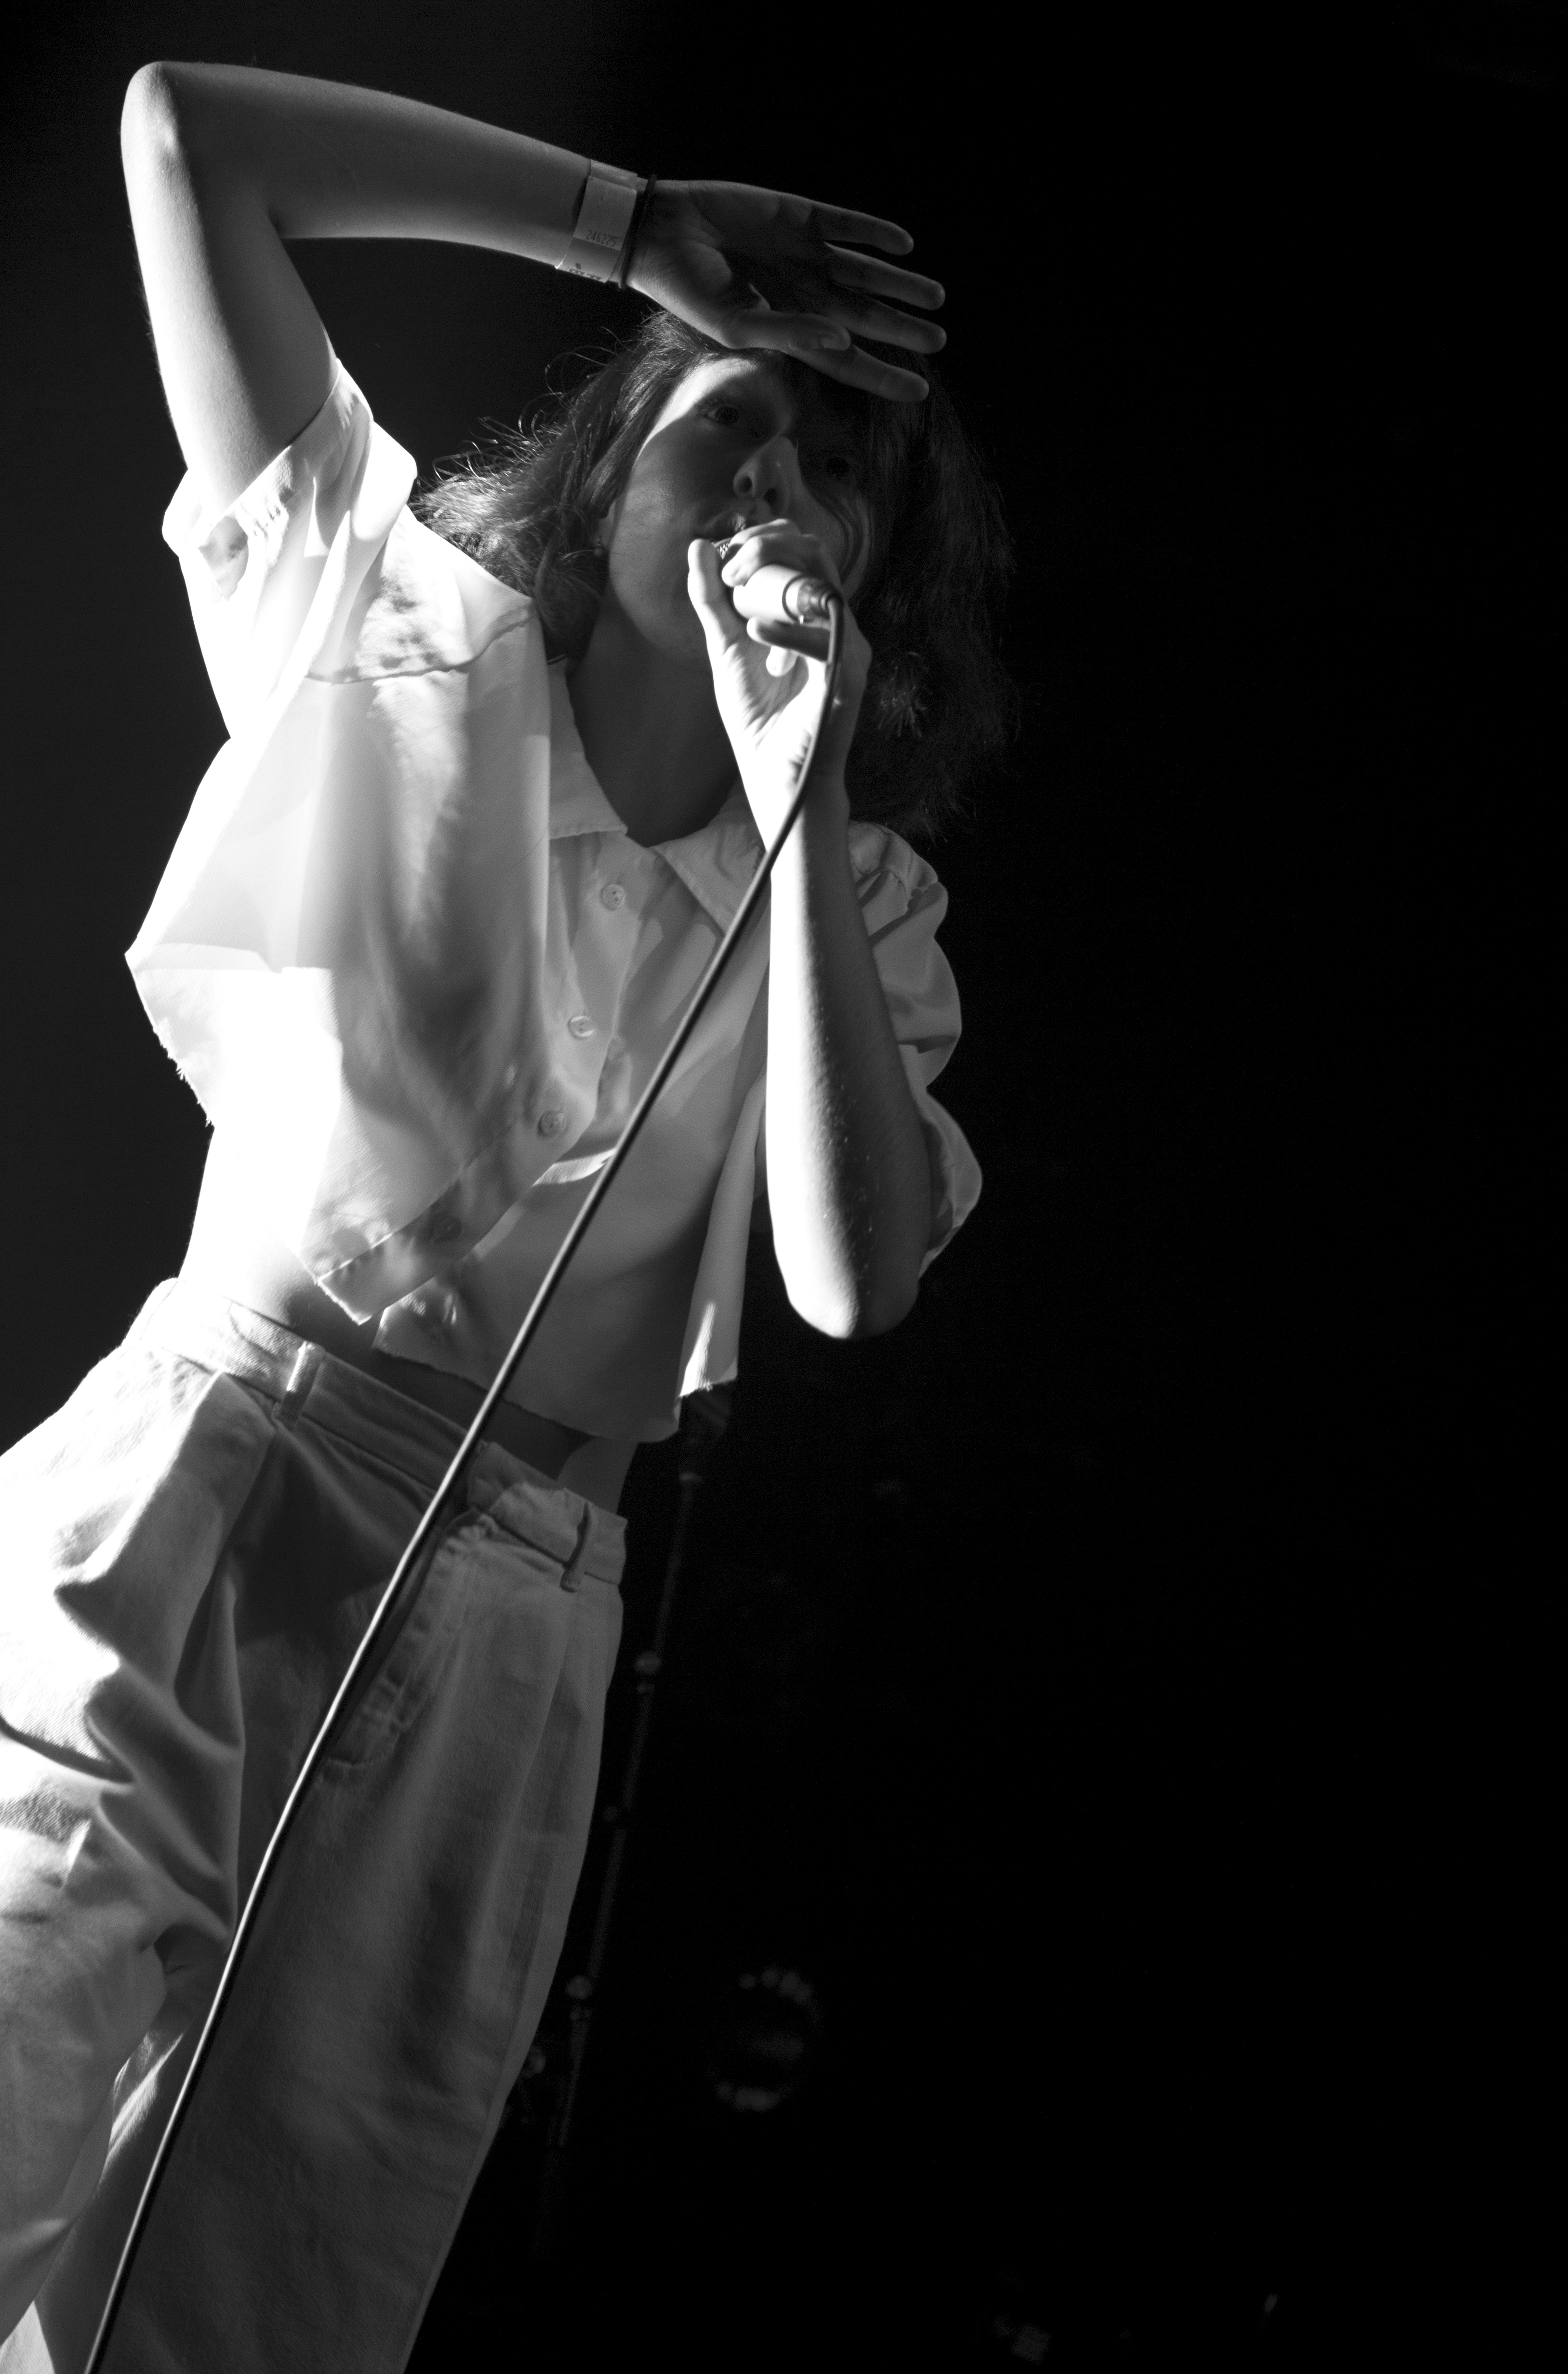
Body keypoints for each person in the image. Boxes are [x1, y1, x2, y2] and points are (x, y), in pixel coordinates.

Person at [0, 60, 1011, 2373]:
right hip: (207, 1495)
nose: (776, 485)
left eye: (837, 469)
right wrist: (626, 222)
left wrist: (797, 791)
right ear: (615, 445)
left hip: (504, 1632)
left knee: (237, 2327)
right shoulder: (380, 623)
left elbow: (850, 1278)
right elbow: (181, 138)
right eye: (734, 414)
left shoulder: (853, 901)